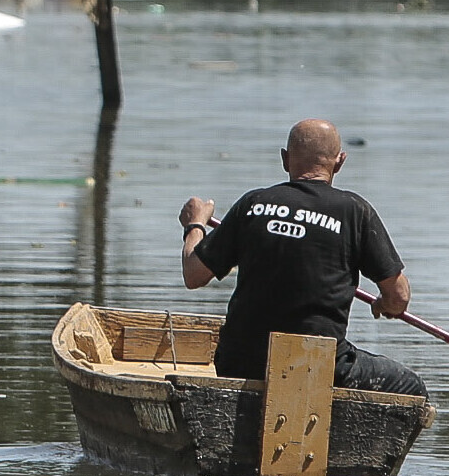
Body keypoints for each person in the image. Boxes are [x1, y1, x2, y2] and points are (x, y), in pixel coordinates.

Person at [179, 119, 425, 395]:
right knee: (410, 387)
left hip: (239, 362)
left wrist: (195, 225)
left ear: (285, 159)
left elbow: (193, 274)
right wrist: (386, 305)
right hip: (316, 365)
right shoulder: (354, 212)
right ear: (340, 162)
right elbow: (399, 297)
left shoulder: (253, 204)